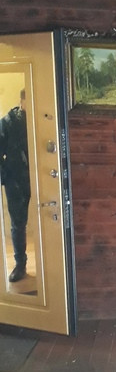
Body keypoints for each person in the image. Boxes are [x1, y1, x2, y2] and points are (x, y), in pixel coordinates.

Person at [0, 89, 30, 282]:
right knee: (18, 224)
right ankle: (20, 265)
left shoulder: (44, 119)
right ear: (22, 101)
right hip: (16, 181)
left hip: (42, 178)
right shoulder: (7, 122)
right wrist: (6, 177)